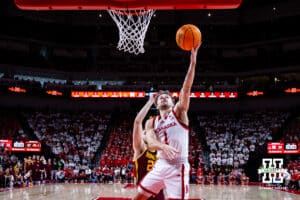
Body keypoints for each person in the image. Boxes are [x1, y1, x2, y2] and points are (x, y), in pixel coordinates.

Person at [133, 43, 201, 200]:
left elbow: (186, 89)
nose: (163, 97)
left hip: (178, 166)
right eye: (160, 97)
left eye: (167, 96)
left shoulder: (179, 113)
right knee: (139, 197)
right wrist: (162, 146)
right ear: (157, 105)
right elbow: (150, 142)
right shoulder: (152, 122)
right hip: (160, 164)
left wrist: (193, 63)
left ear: (172, 102)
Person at [133, 93, 165, 200]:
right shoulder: (141, 150)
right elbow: (137, 122)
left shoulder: (162, 153)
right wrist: (150, 101)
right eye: (147, 132)